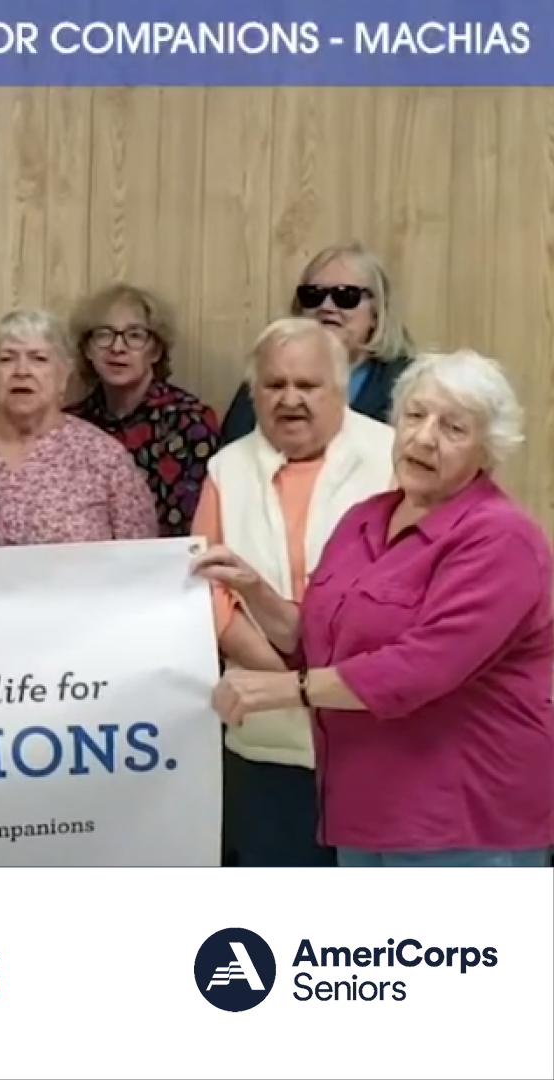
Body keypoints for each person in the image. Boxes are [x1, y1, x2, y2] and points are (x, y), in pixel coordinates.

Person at [198, 349, 554, 868]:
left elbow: (420, 667)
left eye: (453, 428)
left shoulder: (501, 538)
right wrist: (255, 590)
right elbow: (317, 636)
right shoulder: (365, 519)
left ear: (489, 450)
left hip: (463, 818)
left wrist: (284, 690)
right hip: (365, 807)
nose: (425, 437)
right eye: (415, 415)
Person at [191, 317, 394, 867]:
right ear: (253, 393)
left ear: (340, 386)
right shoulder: (225, 469)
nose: (290, 400)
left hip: (378, 735)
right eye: (274, 385)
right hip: (266, 734)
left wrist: (320, 679)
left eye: (307, 386)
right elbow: (207, 592)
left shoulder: (395, 458)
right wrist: (287, 680)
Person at [0, 309, 157, 546]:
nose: (22, 371)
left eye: (38, 358)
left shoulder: (103, 456)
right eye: (6, 359)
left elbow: (142, 556)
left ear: (63, 374)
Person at [64, 283, 220, 536]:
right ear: (87, 350)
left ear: (155, 351)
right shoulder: (69, 425)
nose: (117, 347)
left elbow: (193, 529)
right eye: (104, 335)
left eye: (135, 335)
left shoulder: (190, 421)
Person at [220, 242, 412, 442]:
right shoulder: (268, 372)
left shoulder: (407, 385)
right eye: (313, 295)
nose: (326, 307)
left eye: (345, 296)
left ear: (376, 312)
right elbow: (234, 447)